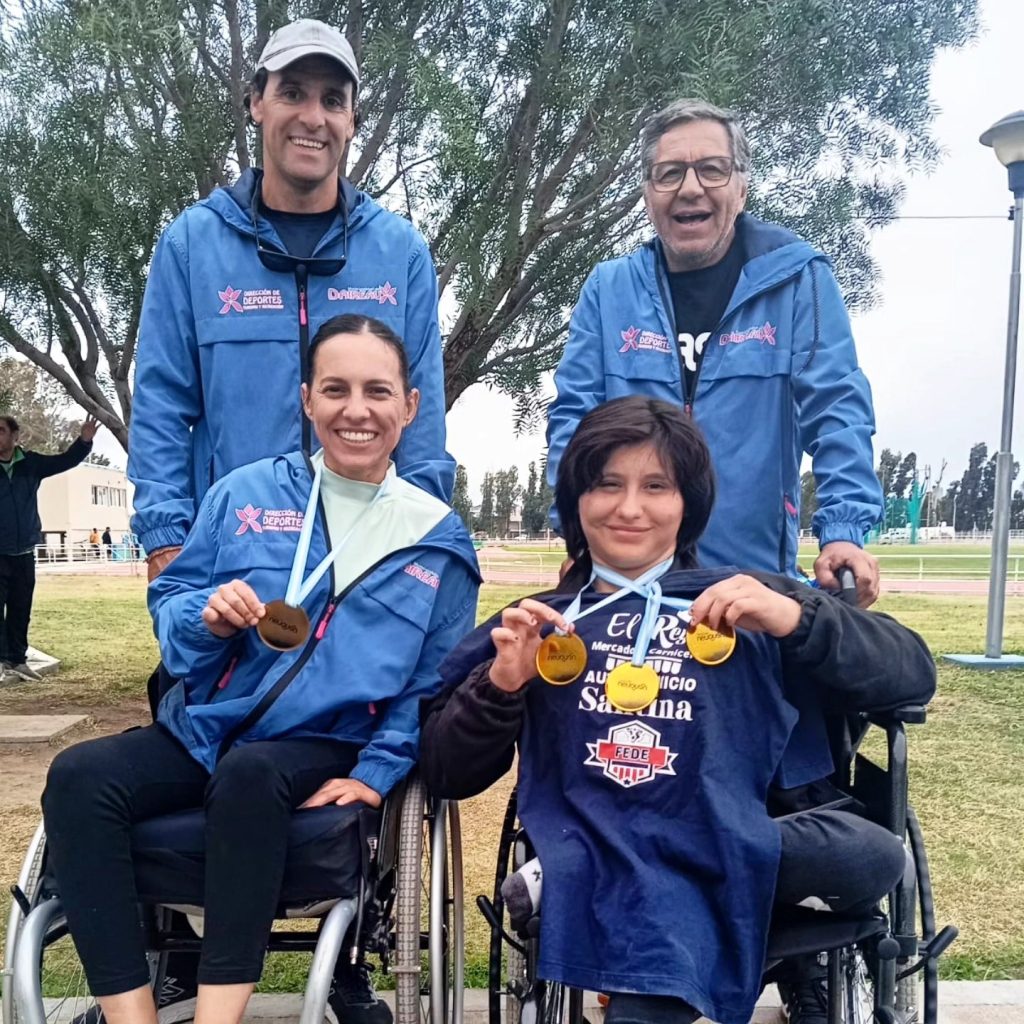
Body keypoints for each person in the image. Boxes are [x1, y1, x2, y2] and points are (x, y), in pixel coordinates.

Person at [420, 397, 934, 1024]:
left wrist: (797, 618)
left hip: (731, 832)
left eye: (656, 486)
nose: (629, 507)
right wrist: (502, 684)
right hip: (596, 837)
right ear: (577, 500)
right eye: (607, 484)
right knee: (655, 879)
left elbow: (913, 674)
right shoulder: (540, 622)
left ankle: (629, 880)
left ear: (688, 503)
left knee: (873, 853)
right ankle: (646, 891)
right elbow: (446, 770)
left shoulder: (750, 599)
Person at [42, 315, 480, 1024]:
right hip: (205, 731)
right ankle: (131, 1016)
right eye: (335, 389)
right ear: (307, 400)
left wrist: (377, 773)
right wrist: (206, 619)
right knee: (78, 776)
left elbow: (430, 686)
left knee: (252, 773)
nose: (356, 410)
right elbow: (176, 613)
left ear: (409, 406)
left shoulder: (438, 541)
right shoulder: (243, 496)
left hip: (323, 742)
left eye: (377, 391)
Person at [128, 17, 455, 587]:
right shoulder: (191, 245)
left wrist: (417, 541)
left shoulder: (400, 253)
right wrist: (167, 542)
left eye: (332, 100)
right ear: (257, 103)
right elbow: (160, 406)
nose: (313, 118)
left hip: (364, 568)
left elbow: (420, 420)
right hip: (229, 568)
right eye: (293, 93)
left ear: (352, 120)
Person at [546, 99, 883, 607]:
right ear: (648, 193)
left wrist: (843, 531)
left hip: (752, 582)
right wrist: (575, 533)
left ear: (741, 187)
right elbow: (574, 420)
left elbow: (837, 409)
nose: (690, 187)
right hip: (629, 581)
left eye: (712, 169)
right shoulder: (608, 289)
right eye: (669, 173)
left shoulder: (798, 280)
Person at [0, 414, 98, 682]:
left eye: (1, 431)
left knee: (20, 609)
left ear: (15, 436)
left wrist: (84, 442)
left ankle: (17, 660)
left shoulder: (30, 464)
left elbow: (64, 461)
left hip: (24, 552)